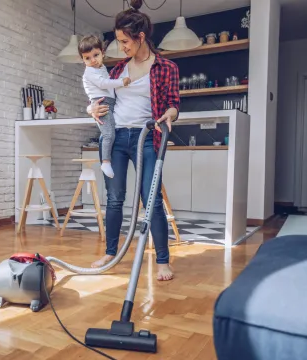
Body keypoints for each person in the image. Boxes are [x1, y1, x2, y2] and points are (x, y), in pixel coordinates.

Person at [88, 0, 180, 281]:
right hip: (116, 139)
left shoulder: (165, 67)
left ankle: (163, 261)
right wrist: (91, 109)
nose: (121, 47)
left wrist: (171, 114)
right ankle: (111, 252)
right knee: (114, 199)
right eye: (118, 42)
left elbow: (174, 104)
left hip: (147, 138)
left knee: (150, 200)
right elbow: (97, 95)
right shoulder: (116, 71)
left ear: (140, 37)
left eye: (124, 41)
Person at [79, 35, 132, 178]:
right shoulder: (90, 72)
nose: (93, 60)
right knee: (108, 134)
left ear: (103, 53)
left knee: (111, 132)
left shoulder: (101, 68)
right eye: (87, 58)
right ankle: (106, 162)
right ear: (83, 60)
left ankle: (108, 160)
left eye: (95, 55)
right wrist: (121, 82)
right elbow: (103, 84)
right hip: (101, 103)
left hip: (108, 102)